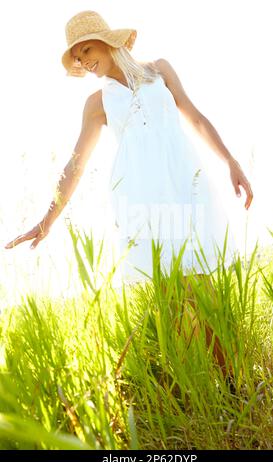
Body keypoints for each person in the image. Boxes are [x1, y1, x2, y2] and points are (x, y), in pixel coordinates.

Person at [5, 11, 253, 376]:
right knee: (171, 302)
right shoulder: (96, 103)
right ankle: (194, 393)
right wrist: (47, 220)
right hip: (144, 202)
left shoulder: (160, 70)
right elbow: (76, 165)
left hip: (186, 186)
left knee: (204, 293)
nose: (84, 62)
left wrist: (230, 160)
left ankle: (235, 382)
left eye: (86, 50)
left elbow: (196, 118)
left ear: (107, 41)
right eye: (77, 57)